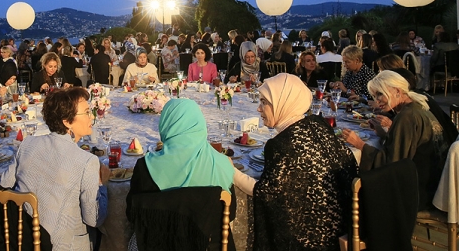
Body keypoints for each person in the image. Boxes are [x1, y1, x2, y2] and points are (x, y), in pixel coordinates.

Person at [254, 73, 358, 250]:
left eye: (264, 102)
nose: (258, 108)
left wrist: (231, 172)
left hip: (310, 240)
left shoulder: (281, 144)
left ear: (283, 103)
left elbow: (267, 194)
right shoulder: (317, 123)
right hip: (342, 228)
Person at [0, 87, 109, 250]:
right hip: (63, 246)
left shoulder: (28, 144)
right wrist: (102, 184)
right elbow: (94, 218)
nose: (91, 117)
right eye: (86, 112)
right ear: (67, 121)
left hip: (24, 241)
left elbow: (2, 187)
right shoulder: (87, 161)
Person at [126, 99, 237, 249]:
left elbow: (133, 214)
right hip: (209, 246)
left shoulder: (146, 166)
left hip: (157, 245)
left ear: (166, 124)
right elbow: (230, 214)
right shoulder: (222, 164)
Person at [342, 71, 449, 210]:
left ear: (397, 91)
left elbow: (392, 164)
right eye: (374, 96)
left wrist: (360, 144)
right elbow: (409, 146)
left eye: (380, 94)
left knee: (353, 187)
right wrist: (386, 134)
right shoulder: (417, 105)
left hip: (420, 191)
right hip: (437, 184)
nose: (377, 100)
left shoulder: (407, 116)